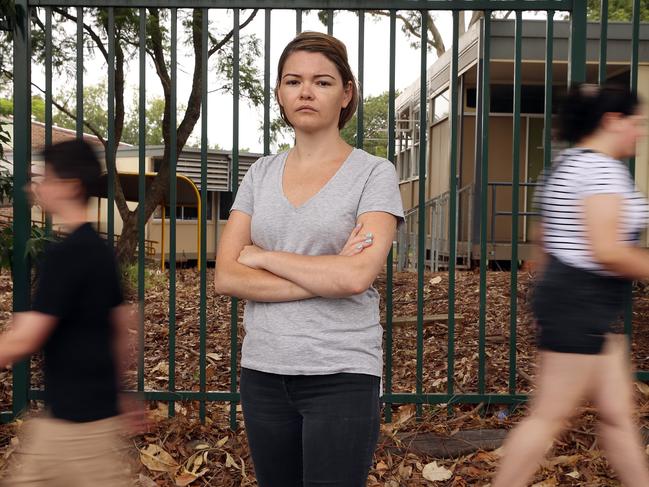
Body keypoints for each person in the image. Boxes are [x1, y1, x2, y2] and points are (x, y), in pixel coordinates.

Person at [214, 31, 404, 487]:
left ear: (346, 94)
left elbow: (357, 275)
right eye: (292, 80)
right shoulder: (259, 173)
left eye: (321, 81)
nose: (305, 91)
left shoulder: (374, 174)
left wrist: (262, 256)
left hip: (341, 370)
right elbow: (226, 275)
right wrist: (324, 274)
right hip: (263, 368)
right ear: (279, 93)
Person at [493, 84, 649, 487]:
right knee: (548, 416)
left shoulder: (568, 164)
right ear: (613, 122)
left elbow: (543, 237)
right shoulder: (600, 169)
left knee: (616, 416)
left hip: (576, 300)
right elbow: (608, 251)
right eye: (637, 123)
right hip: (580, 301)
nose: (641, 132)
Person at [0, 139, 139, 486]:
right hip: (86, 419)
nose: (36, 186)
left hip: (74, 429)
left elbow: (27, 338)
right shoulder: (100, 250)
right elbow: (122, 327)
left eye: (45, 178)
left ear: (70, 187)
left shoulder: (64, 256)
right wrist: (122, 393)